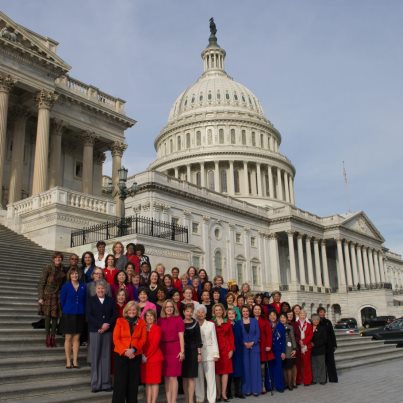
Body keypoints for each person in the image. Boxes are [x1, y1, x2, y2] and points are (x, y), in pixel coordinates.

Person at [112, 301, 147, 403]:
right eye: (130, 309)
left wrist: (133, 349)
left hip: (135, 356)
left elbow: (143, 339)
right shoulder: (120, 321)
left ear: (137, 311)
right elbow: (116, 338)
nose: (132, 311)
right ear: (126, 311)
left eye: (134, 309)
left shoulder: (142, 322)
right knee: (120, 383)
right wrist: (125, 351)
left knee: (133, 384)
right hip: (121, 355)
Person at [87, 281, 117, 393]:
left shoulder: (110, 300)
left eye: (102, 288)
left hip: (107, 331)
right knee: (95, 357)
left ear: (106, 290)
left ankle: (105, 383)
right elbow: (89, 315)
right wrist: (100, 325)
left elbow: (114, 314)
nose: (101, 290)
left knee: (106, 357)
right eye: (99, 288)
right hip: (95, 331)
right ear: (96, 289)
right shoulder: (91, 300)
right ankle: (95, 383)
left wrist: (106, 325)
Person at [158, 299, 185, 403]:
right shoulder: (160, 320)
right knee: (166, 378)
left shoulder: (178, 319)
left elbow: (181, 336)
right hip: (163, 349)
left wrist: (182, 351)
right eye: (167, 307)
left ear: (174, 308)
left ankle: (173, 401)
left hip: (175, 349)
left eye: (171, 307)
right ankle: (169, 401)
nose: (169, 308)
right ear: (164, 309)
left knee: (173, 377)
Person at [38, 252, 66, 347]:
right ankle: (47, 337)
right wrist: (40, 297)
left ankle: (52, 338)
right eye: (56, 257)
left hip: (57, 296)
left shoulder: (63, 269)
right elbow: (42, 282)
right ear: (53, 259)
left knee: (55, 317)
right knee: (47, 317)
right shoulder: (48, 267)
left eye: (60, 258)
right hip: (47, 295)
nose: (58, 259)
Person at [59, 267, 86, 368]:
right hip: (68, 314)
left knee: (77, 338)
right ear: (69, 275)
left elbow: (85, 301)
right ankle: (68, 361)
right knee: (68, 338)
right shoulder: (66, 286)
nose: (75, 275)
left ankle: (75, 360)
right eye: (72, 274)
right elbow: (62, 301)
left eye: (76, 274)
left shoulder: (83, 286)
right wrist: (68, 308)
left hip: (80, 314)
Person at [195, 304, 219, 403]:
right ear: (196, 313)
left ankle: (211, 399)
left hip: (209, 354)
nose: (201, 314)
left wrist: (216, 354)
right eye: (199, 312)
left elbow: (214, 339)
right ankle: (199, 399)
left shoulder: (211, 324)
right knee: (199, 379)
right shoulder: (193, 324)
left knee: (210, 379)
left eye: (202, 312)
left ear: (205, 314)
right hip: (197, 355)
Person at [212, 303, 234, 402]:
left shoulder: (227, 321)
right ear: (214, 312)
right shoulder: (211, 322)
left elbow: (231, 336)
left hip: (226, 349)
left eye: (220, 310)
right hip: (216, 350)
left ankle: (224, 394)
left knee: (225, 372)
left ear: (223, 311)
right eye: (216, 310)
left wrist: (231, 349)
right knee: (216, 372)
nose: (218, 312)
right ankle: (218, 393)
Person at [141, 309, 164, 403]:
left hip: (154, 358)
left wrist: (146, 356)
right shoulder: (142, 328)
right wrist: (142, 355)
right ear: (145, 317)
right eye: (147, 316)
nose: (149, 317)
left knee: (154, 382)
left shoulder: (157, 328)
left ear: (154, 318)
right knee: (147, 382)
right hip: (144, 359)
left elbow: (154, 345)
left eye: (151, 316)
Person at [182, 304, 203, 403]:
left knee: (191, 378)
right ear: (184, 312)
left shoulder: (196, 323)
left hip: (193, 352)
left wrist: (199, 354)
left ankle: (191, 400)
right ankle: (186, 399)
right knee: (185, 378)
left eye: (190, 311)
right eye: (187, 311)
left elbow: (199, 339)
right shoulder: (180, 323)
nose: (189, 313)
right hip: (183, 353)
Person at [240, 305, 261, 396]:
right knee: (246, 369)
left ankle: (256, 389)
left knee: (255, 369)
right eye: (244, 311)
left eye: (247, 311)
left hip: (254, 347)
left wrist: (253, 342)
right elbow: (238, 335)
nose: (245, 313)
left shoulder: (254, 321)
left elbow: (257, 333)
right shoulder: (238, 322)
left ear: (249, 312)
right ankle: (247, 389)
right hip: (244, 348)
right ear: (241, 312)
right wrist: (244, 343)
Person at [253, 304, 273, 394]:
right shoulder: (250, 320)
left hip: (263, 346)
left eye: (259, 309)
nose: (257, 311)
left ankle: (263, 385)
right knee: (254, 367)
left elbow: (269, 334)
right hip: (253, 346)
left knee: (262, 367)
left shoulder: (265, 321)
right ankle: (255, 386)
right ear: (253, 310)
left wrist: (268, 345)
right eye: (255, 309)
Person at [317, 306, 338, 383]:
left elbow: (332, 334)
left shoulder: (328, 322)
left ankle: (333, 378)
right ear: (318, 313)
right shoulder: (316, 322)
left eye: (323, 312)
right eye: (320, 312)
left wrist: (334, 344)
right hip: (321, 345)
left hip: (329, 345)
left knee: (331, 362)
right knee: (322, 363)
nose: (322, 313)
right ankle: (323, 378)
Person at [227, 308, 244, 399]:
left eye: (233, 313)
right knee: (229, 371)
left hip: (238, 350)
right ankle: (229, 392)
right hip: (229, 350)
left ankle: (238, 391)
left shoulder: (238, 325)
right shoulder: (226, 324)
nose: (231, 315)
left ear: (235, 315)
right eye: (229, 313)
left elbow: (241, 337)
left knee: (238, 370)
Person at [268, 310, 286, 393]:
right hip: (269, 350)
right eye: (271, 315)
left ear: (276, 316)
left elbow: (283, 339)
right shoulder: (267, 325)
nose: (272, 316)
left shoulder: (280, 326)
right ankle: (269, 386)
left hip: (278, 350)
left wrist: (283, 351)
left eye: (274, 315)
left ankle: (279, 386)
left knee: (278, 368)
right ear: (268, 316)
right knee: (270, 368)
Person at [295, 309, 313, 386]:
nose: (302, 315)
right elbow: (294, 334)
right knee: (298, 364)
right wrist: (299, 341)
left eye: (304, 314)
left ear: (306, 316)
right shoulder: (295, 324)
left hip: (306, 347)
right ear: (298, 315)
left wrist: (304, 342)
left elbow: (310, 335)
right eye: (301, 314)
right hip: (298, 346)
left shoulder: (309, 325)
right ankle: (298, 380)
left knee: (307, 364)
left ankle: (307, 380)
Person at [280, 312, 297, 391]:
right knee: (283, 368)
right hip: (281, 350)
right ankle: (286, 383)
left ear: (286, 319)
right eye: (281, 317)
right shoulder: (277, 327)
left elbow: (293, 338)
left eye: (284, 318)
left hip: (289, 349)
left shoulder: (290, 327)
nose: (282, 319)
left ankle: (290, 384)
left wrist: (294, 349)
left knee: (289, 367)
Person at [311, 313, 328, 385]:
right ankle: (315, 379)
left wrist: (315, 344)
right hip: (312, 350)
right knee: (314, 365)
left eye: (317, 320)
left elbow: (324, 339)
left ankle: (322, 379)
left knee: (321, 365)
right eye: (314, 319)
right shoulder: (309, 327)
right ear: (312, 320)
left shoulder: (322, 328)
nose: (316, 321)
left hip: (320, 349)